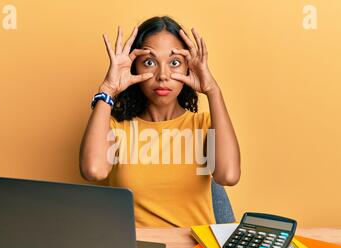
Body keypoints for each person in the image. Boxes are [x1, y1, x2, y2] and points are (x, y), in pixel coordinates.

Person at [79, 16, 241, 227]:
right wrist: (108, 88)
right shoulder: (117, 129)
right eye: (150, 62)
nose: (162, 75)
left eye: (174, 63)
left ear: (188, 69)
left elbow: (228, 175)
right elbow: (93, 170)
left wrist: (212, 90)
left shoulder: (203, 125)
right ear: (134, 67)